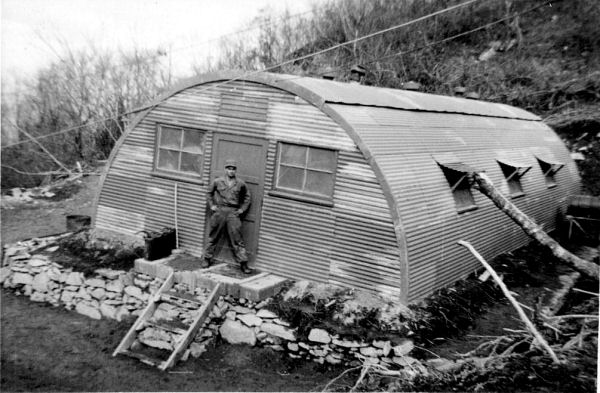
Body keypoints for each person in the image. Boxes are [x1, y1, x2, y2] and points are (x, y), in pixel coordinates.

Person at [202, 159, 252, 274]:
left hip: (233, 213)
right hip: (220, 211)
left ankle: (243, 263)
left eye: (233, 169)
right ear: (225, 169)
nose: (231, 171)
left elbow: (247, 198)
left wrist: (241, 210)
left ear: (235, 171)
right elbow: (209, 193)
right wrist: (212, 206)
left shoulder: (240, 183)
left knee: (237, 239)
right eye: (229, 168)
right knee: (213, 236)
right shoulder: (218, 181)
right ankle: (207, 259)